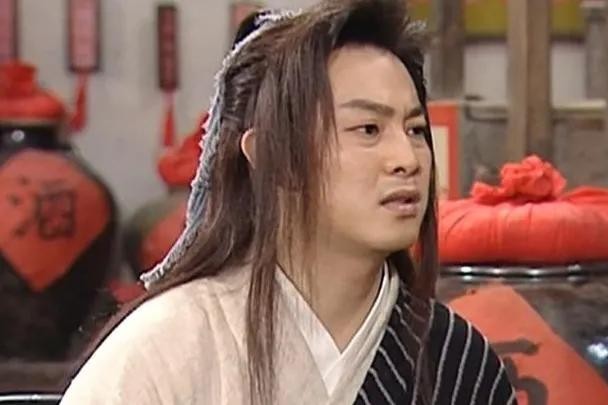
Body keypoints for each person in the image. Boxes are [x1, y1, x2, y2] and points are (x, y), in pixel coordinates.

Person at [60, 0, 517, 404]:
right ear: (273, 157)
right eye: (368, 130)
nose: (407, 159)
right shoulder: (168, 348)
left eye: (415, 130)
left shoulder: (457, 363)